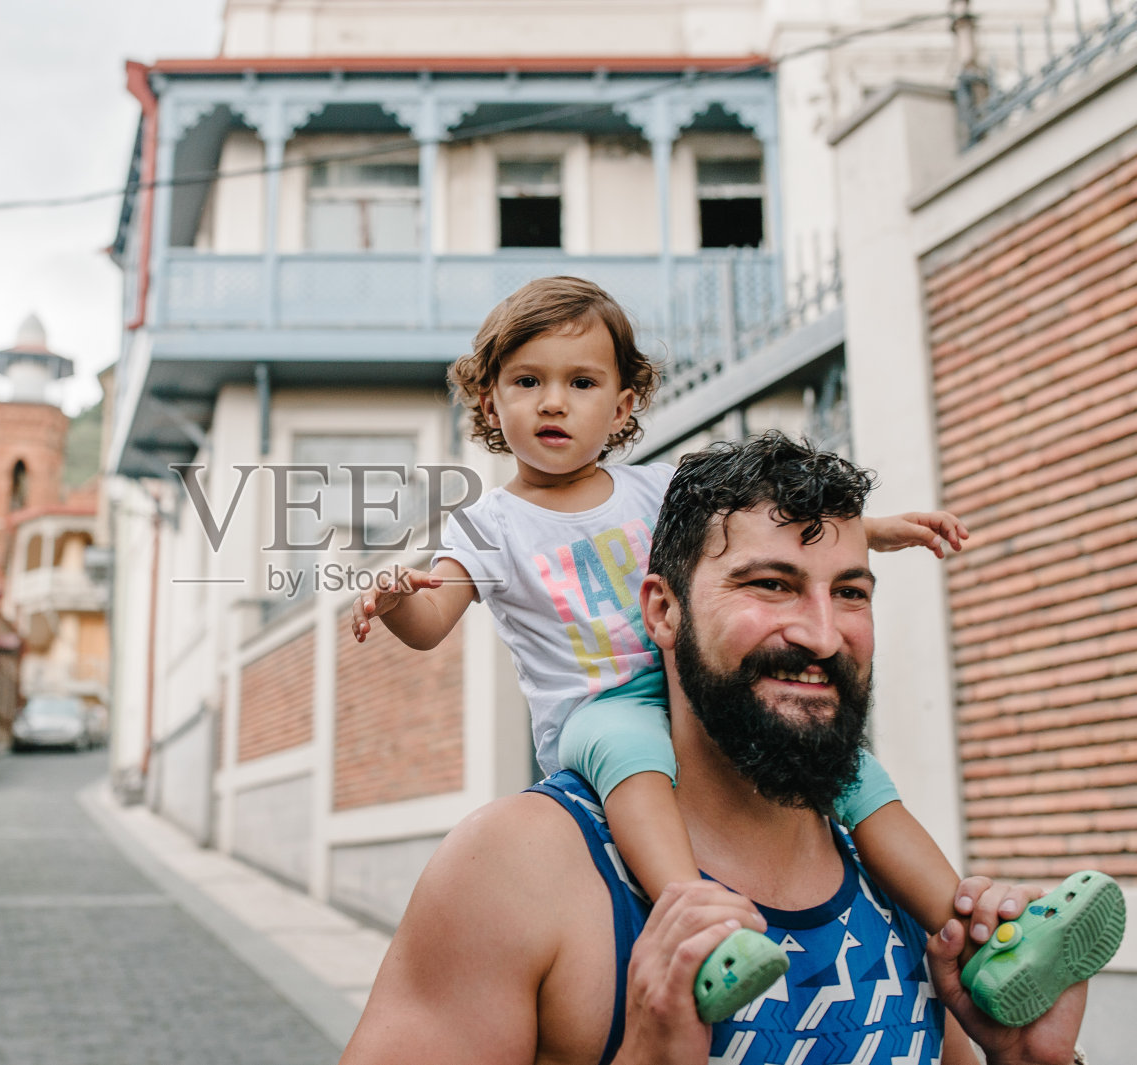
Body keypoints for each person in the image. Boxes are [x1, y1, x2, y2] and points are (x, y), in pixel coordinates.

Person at [341, 435, 1113, 1065]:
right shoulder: (517, 870)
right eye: (771, 584)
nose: (822, 633)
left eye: (850, 591)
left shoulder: (893, 883)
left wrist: (1028, 1061)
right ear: (663, 610)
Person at [352, 276, 980, 1021]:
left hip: (684, 684)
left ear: (621, 407)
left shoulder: (653, 491)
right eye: (527, 381)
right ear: (490, 403)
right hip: (596, 708)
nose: (553, 402)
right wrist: (396, 599)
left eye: (581, 382)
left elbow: (770, 532)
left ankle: (974, 930)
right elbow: (432, 621)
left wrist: (876, 530)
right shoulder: (487, 526)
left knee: (853, 773)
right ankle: (702, 925)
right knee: (633, 755)